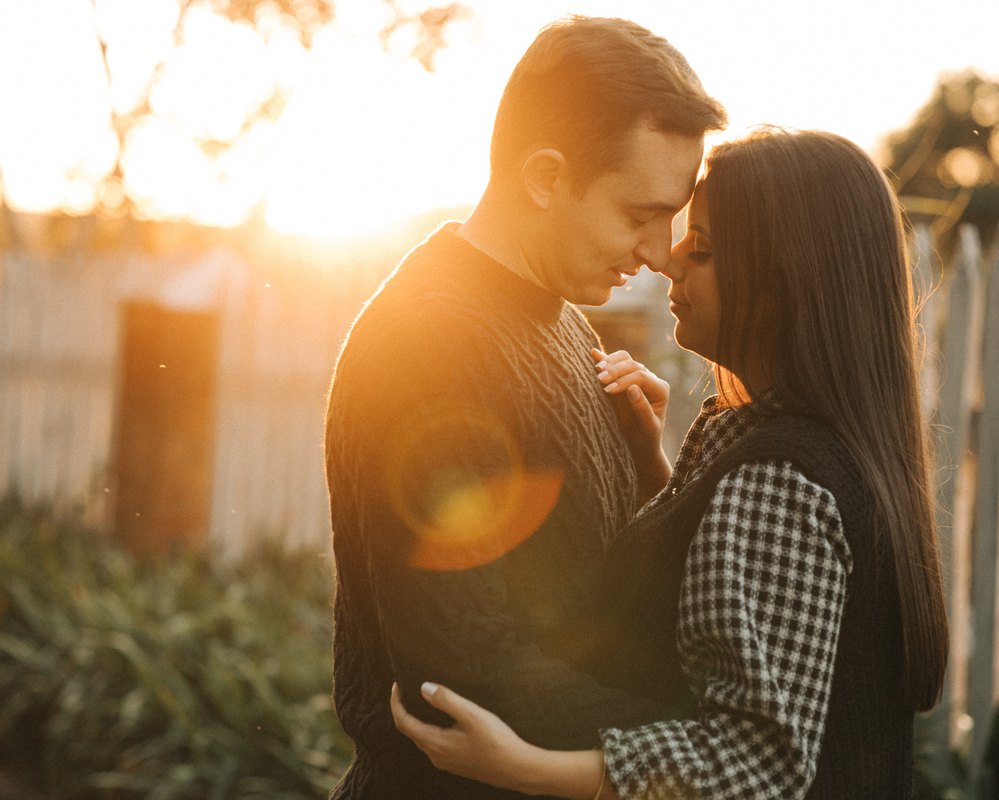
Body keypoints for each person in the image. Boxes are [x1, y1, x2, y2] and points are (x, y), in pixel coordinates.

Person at [391, 128, 950, 799]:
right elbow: (718, 605)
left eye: (704, 248)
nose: (669, 259)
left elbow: (752, 765)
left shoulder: (779, 479)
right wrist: (656, 470)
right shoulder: (814, 447)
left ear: (785, 285)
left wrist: (521, 766)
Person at [324, 15, 727, 800]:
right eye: (639, 213)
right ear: (545, 177)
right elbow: (466, 668)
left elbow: (590, 601)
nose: (659, 251)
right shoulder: (431, 340)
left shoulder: (563, 322)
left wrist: (655, 473)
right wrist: (715, 744)